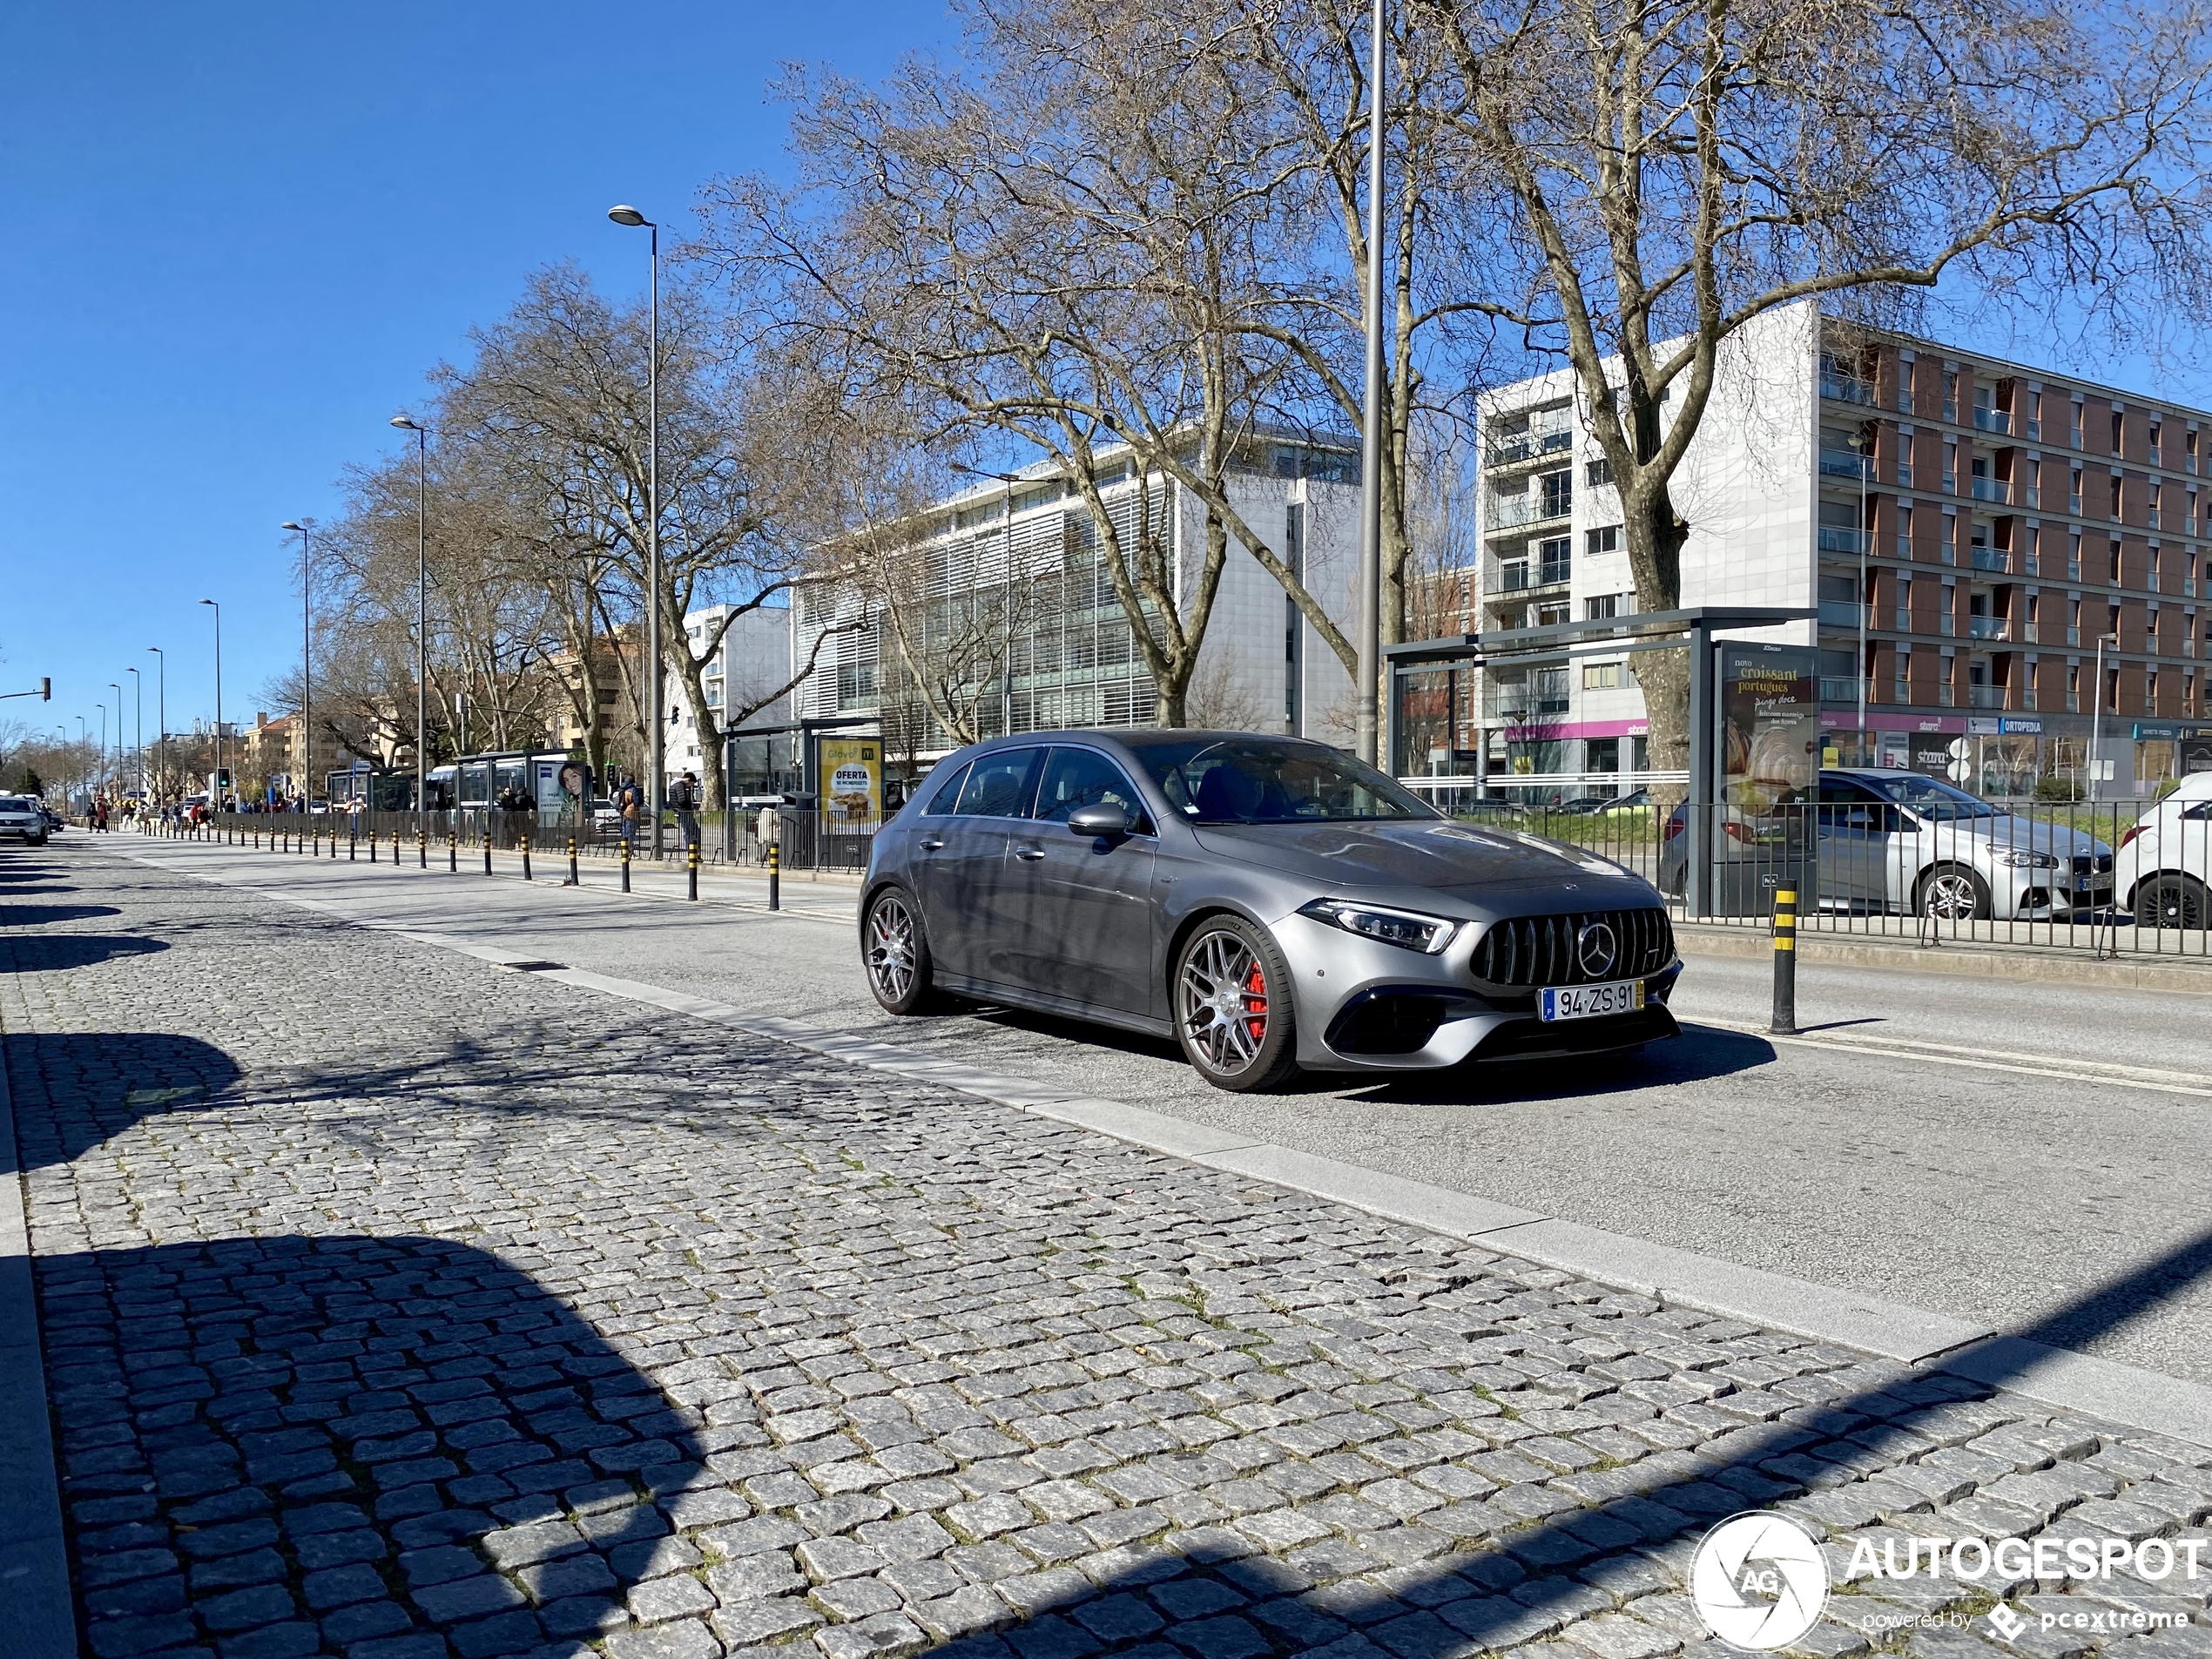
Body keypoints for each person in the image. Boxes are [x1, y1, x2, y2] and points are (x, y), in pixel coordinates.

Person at [672, 771, 701, 853]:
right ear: (688, 780)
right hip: (684, 811)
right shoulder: (680, 786)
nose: (691, 785)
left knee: (688, 830)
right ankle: (691, 848)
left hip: (679, 811)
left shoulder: (675, 785)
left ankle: (691, 848)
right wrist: (689, 805)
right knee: (691, 830)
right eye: (691, 783)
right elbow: (682, 800)